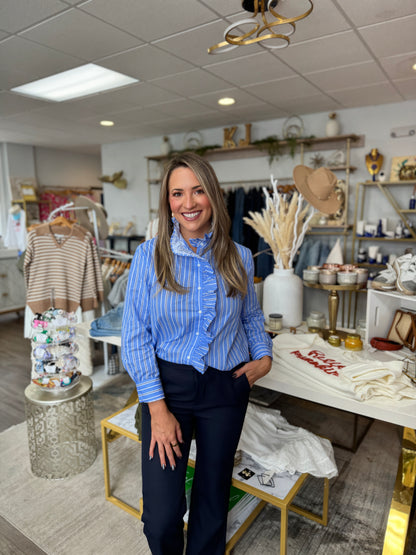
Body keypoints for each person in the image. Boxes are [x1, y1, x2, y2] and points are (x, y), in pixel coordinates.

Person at [121, 152, 273, 555]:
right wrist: (156, 409)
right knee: (161, 512)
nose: (188, 203)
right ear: (167, 202)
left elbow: (251, 317)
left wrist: (264, 356)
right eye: (177, 193)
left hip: (226, 387)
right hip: (166, 389)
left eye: (198, 190)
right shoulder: (149, 256)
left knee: (212, 497)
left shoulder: (239, 256)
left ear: (213, 195)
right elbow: (135, 336)